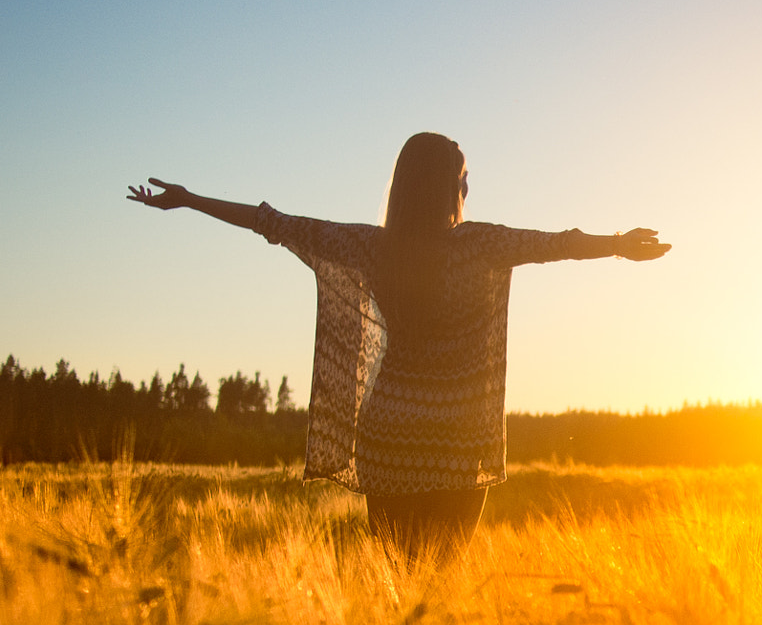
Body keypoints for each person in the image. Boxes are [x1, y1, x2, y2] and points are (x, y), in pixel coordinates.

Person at [127, 131, 668, 560]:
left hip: (388, 434)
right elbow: (557, 246)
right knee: (439, 582)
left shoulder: (371, 247)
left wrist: (190, 200)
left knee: (396, 580)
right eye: (463, 177)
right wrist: (619, 245)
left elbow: (273, 223)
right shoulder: (478, 244)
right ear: (444, 186)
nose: (468, 187)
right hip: (456, 442)